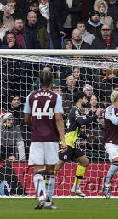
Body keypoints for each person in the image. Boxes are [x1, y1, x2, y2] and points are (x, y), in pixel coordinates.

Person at [23, 70, 65, 209]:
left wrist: (36, 124)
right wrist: (63, 139)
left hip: (36, 138)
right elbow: (58, 119)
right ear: (52, 81)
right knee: (50, 170)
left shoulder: (31, 96)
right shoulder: (56, 97)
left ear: (39, 81)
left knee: (38, 169)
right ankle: (48, 200)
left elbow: (26, 118)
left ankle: (41, 197)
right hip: (51, 138)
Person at [54, 91, 99, 197]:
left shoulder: (78, 111)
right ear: (80, 99)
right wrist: (95, 116)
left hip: (73, 143)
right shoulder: (75, 110)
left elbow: (74, 128)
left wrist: (86, 137)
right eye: (85, 99)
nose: (87, 101)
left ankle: (76, 187)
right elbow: (80, 122)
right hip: (68, 142)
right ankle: (44, 185)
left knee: (85, 162)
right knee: (58, 165)